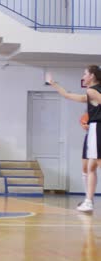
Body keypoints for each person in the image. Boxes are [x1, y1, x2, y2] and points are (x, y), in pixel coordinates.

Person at [46, 65, 101, 212]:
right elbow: (68, 95)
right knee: (90, 167)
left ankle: (88, 201)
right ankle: (88, 201)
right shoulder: (91, 93)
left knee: (94, 166)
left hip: (98, 129)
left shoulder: (92, 91)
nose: (83, 77)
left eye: (85, 74)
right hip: (94, 129)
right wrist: (53, 83)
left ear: (92, 76)